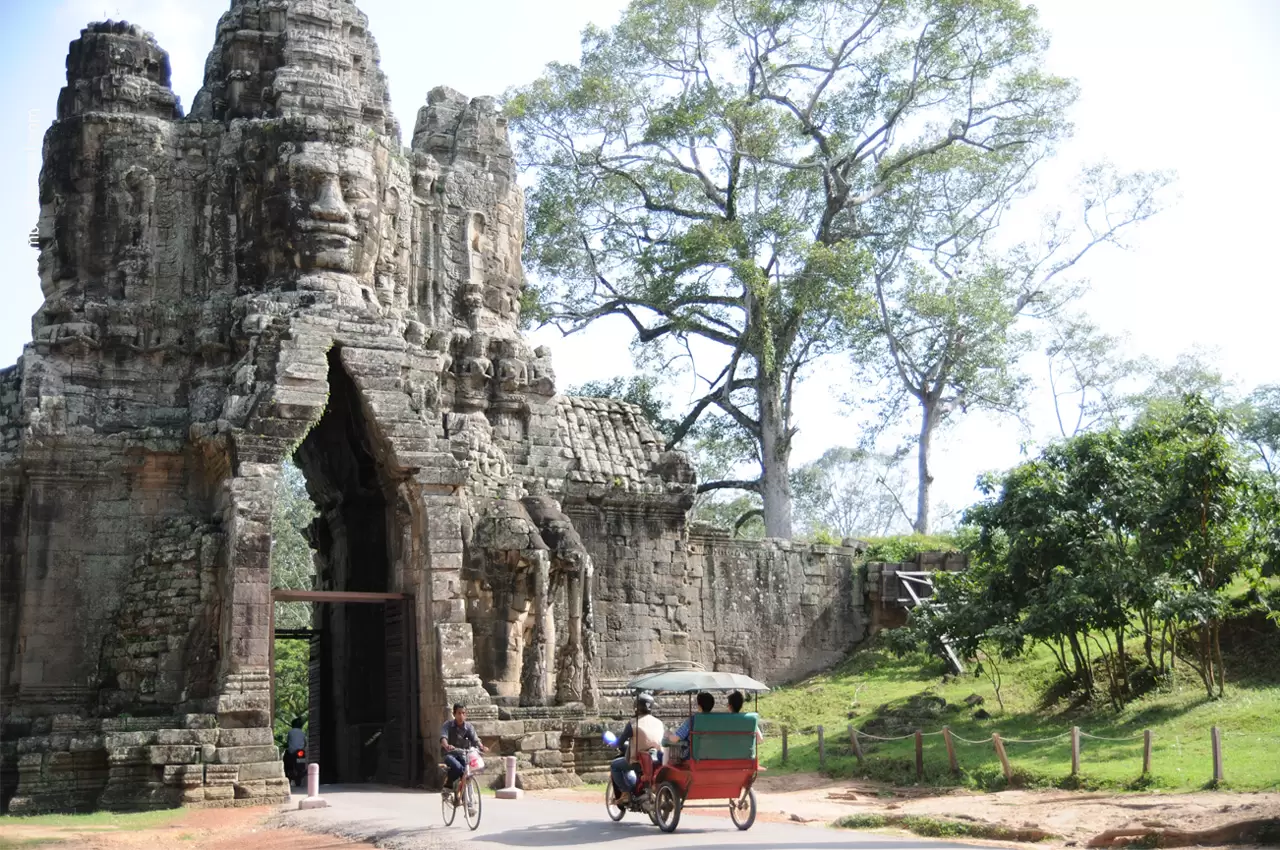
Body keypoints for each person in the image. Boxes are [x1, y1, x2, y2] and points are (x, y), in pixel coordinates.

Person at [611, 692, 664, 805]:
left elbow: (621, 741)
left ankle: (625, 793)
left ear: (637, 707)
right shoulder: (659, 723)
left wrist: (613, 743)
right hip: (657, 759)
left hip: (639, 760)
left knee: (615, 765)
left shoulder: (633, 723)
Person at [440, 703, 487, 793]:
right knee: (458, 768)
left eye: (463, 713)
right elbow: (443, 737)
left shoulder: (469, 727)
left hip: (464, 754)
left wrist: (481, 746)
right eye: (459, 713)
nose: (461, 716)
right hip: (450, 754)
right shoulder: (448, 725)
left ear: (466, 714)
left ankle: (463, 793)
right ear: (454, 714)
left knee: (468, 770)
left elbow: (475, 739)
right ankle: (448, 784)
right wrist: (447, 746)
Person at [666, 692, 715, 760]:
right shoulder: (717, 720)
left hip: (693, 757)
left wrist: (668, 735)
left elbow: (675, 738)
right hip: (713, 755)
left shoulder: (693, 720)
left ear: (699, 706)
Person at [284, 717, 306, 786]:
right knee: (302, 760)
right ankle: (302, 770)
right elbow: (305, 743)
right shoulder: (302, 733)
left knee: (286, 761)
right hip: (300, 752)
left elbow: (288, 742)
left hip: (291, 752)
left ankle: (288, 772)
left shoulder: (290, 732)